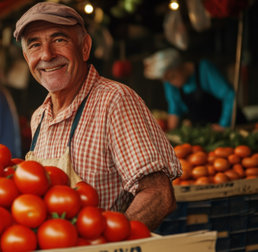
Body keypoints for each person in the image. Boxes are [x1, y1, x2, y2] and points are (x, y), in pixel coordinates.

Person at [14, 2, 182, 230]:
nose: (47, 54)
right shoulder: (39, 118)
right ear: (27, 57)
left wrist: (109, 241)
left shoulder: (114, 101)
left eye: (59, 40)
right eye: (35, 45)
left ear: (84, 47)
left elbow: (159, 195)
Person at [144, 48, 246, 131]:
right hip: (206, 132)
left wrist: (223, 125)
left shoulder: (204, 69)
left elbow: (229, 95)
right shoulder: (170, 82)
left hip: (234, 127)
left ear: (179, 66)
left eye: (172, 77)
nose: (171, 83)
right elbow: (174, 108)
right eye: (166, 80)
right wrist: (169, 133)